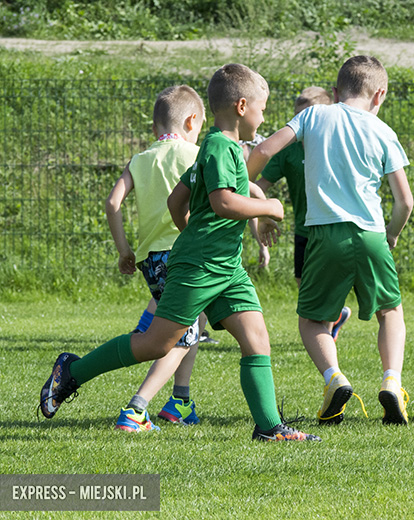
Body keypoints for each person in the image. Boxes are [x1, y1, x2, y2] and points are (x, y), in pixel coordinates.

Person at [40, 63, 320, 442]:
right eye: (262, 107)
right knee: (156, 343)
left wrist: (196, 236)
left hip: (225, 265)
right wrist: (271, 207)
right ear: (241, 106)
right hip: (202, 265)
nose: (264, 115)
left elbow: (177, 201)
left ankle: (270, 428)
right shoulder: (220, 146)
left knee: (256, 338)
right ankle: (71, 372)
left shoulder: (218, 148)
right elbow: (223, 202)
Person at [247, 55, 414, 426]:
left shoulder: (313, 116)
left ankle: (334, 379)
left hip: (323, 233)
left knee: (312, 320)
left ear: (336, 92)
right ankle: (392, 381)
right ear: (379, 94)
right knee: (390, 312)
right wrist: (391, 233)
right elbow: (405, 201)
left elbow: (263, 151)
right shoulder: (383, 131)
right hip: (371, 233)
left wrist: (240, 186)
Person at [105, 84, 204, 432]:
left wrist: (124, 251)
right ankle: (136, 408)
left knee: (196, 322)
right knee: (183, 335)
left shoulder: (140, 159)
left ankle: (180, 400)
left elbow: (112, 203)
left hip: (151, 260)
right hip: (186, 256)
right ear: (192, 121)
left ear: (154, 127)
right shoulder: (194, 155)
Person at [255, 86, 352, 341]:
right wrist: (260, 210)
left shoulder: (339, 143)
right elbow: (259, 185)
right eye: (297, 117)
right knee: (302, 282)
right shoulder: (288, 150)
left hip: (333, 228)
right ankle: (335, 317)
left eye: (307, 117)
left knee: (328, 285)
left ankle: (327, 336)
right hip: (303, 228)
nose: (302, 124)